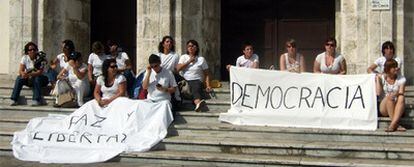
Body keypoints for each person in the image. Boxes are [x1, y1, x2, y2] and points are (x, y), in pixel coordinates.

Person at [177, 40, 212, 112]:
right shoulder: (183, 57)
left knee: (195, 84)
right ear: (187, 48)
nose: (191, 47)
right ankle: (198, 103)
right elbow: (178, 69)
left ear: (196, 48)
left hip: (196, 80)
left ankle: (197, 102)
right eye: (189, 46)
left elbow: (207, 74)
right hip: (185, 81)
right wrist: (189, 61)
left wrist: (208, 85)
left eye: (193, 46)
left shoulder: (201, 59)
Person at [10, 42, 49, 106]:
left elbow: (39, 72)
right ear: (27, 51)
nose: (32, 51)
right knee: (19, 78)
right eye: (30, 50)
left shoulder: (40, 58)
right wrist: (23, 74)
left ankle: (36, 99)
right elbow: (20, 70)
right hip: (29, 78)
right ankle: (14, 99)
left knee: (37, 78)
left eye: (34, 49)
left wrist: (29, 75)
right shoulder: (25, 58)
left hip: (42, 79)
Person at [375, 59, 406, 132]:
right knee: (389, 97)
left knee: (401, 97)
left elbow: (401, 92)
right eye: (394, 67)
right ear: (388, 69)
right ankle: (396, 124)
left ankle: (392, 125)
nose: (396, 68)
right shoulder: (381, 77)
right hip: (384, 107)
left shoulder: (401, 78)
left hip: (396, 105)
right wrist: (377, 80)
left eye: (396, 66)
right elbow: (378, 93)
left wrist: (394, 94)